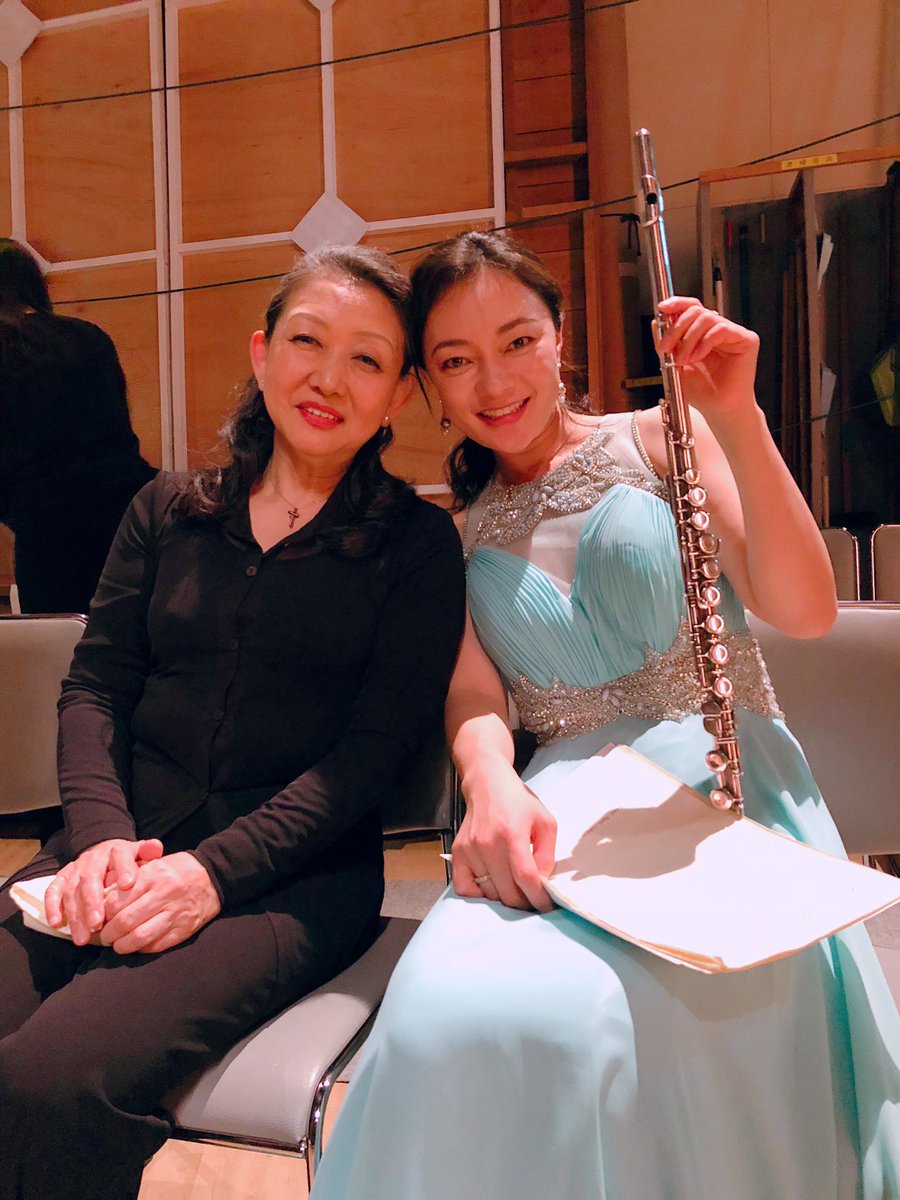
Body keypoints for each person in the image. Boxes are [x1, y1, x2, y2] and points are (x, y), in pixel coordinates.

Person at [310, 232, 900, 1200]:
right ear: (429, 385)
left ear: (559, 336)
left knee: (613, 1021)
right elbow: (474, 695)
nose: (494, 381)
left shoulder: (666, 436)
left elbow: (804, 610)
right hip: (560, 811)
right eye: (456, 361)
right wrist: (488, 782)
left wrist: (738, 415)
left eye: (517, 341)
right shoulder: (454, 533)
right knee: (435, 1009)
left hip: (723, 782)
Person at [0, 245, 467, 1200]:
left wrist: (209, 874)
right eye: (307, 341)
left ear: (397, 396)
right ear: (262, 353)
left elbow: (372, 753)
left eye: (367, 359)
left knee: (49, 1081)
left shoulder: (416, 546)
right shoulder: (166, 510)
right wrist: (101, 841)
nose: (328, 378)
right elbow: (96, 689)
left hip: (289, 884)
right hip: (112, 849)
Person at [0, 238, 157, 614]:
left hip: (48, 532)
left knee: (66, 642)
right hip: (129, 511)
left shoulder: (5, 349)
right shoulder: (88, 336)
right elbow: (120, 434)